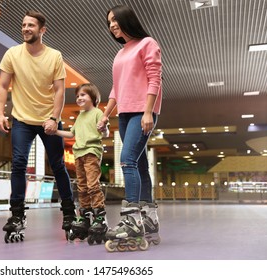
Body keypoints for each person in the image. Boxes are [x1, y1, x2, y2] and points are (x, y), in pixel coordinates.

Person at [0, 10, 76, 243]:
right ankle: (17, 215)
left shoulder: (54, 56)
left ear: (42, 30)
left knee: (59, 164)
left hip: (48, 119)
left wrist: (54, 118)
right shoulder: (12, 54)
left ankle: (69, 212)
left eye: (31, 25)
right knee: (19, 164)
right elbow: (2, 86)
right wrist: (0, 113)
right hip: (21, 119)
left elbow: (60, 89)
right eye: (23, 25)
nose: (26, 28)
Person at [97, 5, 162, 251]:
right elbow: (116, 88)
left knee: (127, 161)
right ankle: (149, 218)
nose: (112, 25)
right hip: (124, 113)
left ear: (127, 20)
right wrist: (105, 114)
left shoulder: (147, 43)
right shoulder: (121, 52)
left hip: (141, 112)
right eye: (109, 22)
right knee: (140, 163)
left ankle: (132, 219)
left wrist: (148, 111)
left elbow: (154, 78)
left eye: (115, 20)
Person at [55, 83, 109, 245]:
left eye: (83, 95)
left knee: (93, 185)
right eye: (78, 96)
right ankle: (84, 216)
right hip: (78, 153)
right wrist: (55, 131)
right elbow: (72, 133)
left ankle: (99, 216)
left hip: (91, 151)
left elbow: (104, 132)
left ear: (93, 97)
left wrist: (104, 127)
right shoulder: (80, 116)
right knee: (82, 186)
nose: (79, 98)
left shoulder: (97, 112)